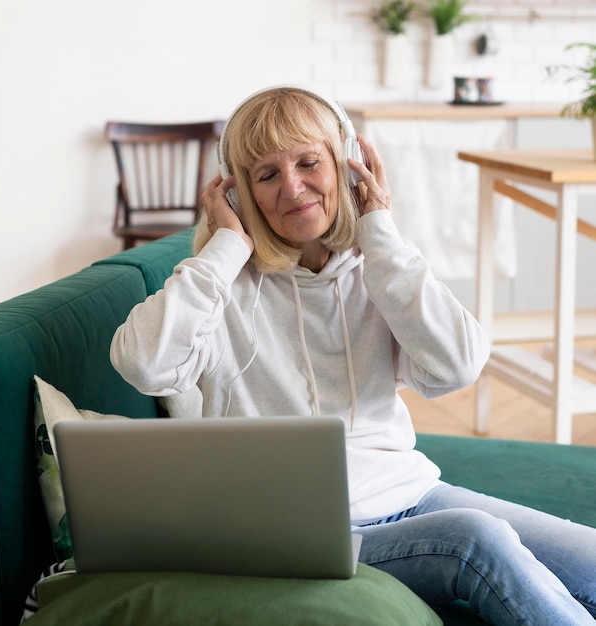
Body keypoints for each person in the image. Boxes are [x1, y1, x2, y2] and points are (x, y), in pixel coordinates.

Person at [110, 86, 596, 624]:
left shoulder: (379, 267)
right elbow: (143, 363)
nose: (293, 188)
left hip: (414, 495)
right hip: (303, 533)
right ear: (237, 193)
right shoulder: (221, 286)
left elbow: (456, 365)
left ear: (348, 166)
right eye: (266, 175)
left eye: (309, 162)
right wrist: (225, 248)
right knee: (474, 540)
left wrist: (380, 232)